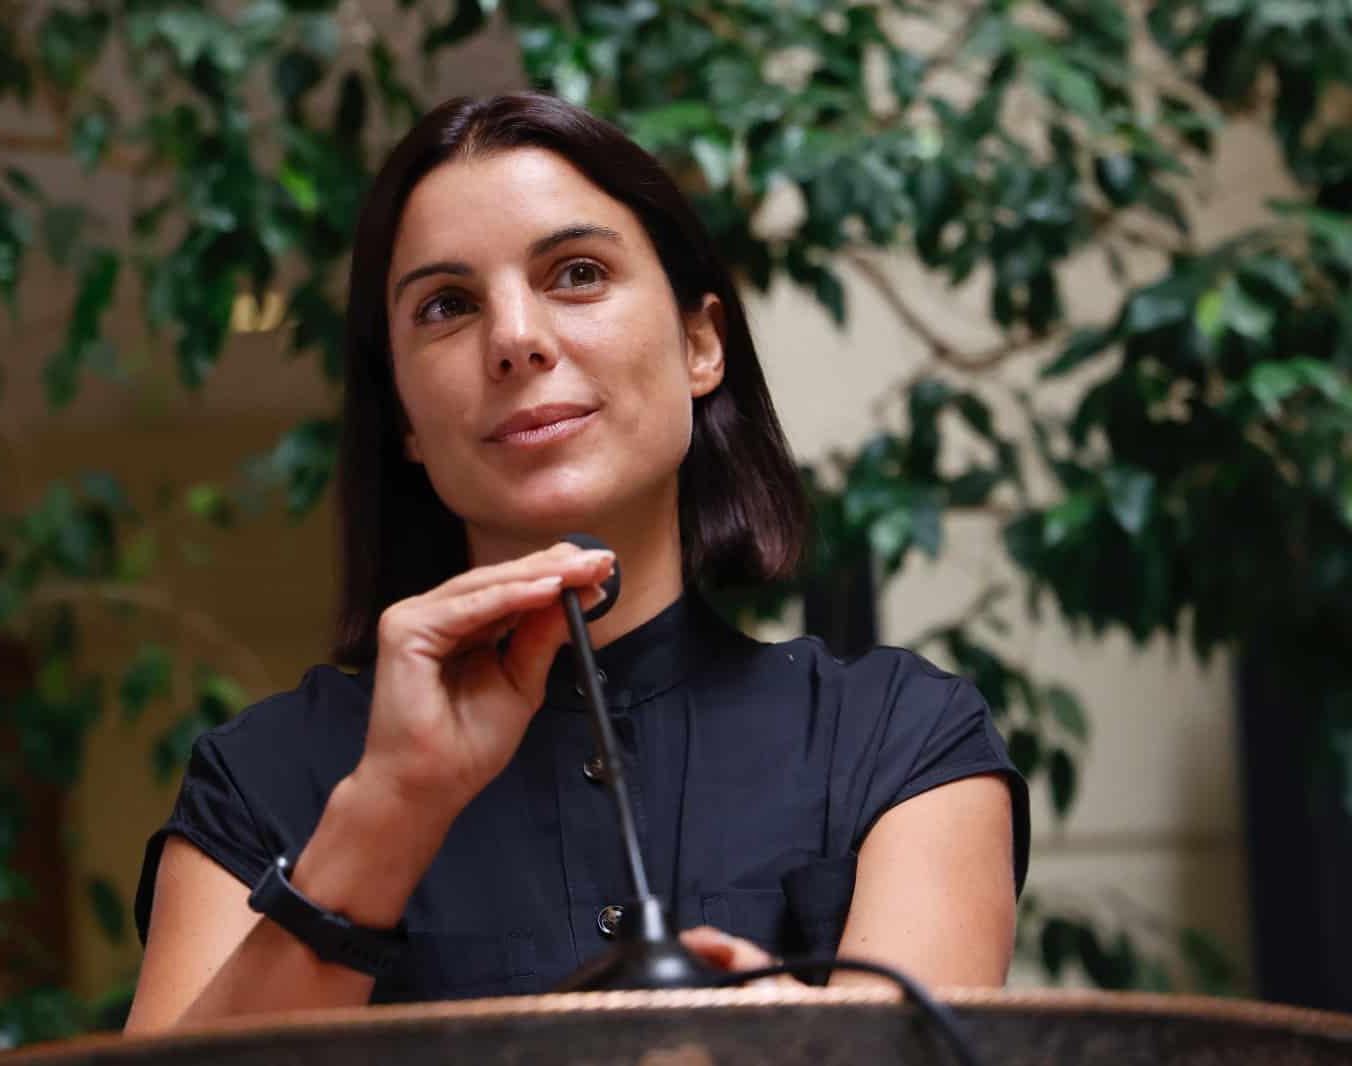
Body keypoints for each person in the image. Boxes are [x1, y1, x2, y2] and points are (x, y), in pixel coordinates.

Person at [124, 92, 1029, 1031]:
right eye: (447, 306)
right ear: (405, 421)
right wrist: (390, 811)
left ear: (700, 344)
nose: (515, 339)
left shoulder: (901, 742)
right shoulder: (262, 779)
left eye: (578, 273)